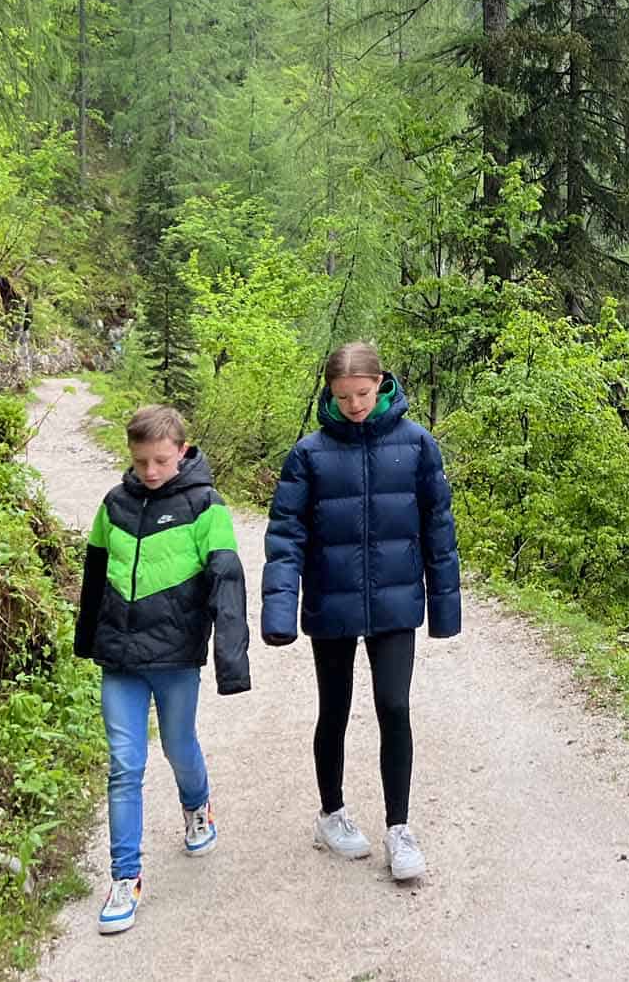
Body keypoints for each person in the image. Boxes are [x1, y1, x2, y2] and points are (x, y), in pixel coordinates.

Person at [261, 342, 461, 882]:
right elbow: (285, 536)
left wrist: (445, 608)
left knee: (395, 707)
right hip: (331, 602)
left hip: (397, 602)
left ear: (382, 385)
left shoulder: (418, 446)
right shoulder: (309, 453)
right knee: (336, 708)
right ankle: (332, 814)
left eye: (363, 394)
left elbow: (439, 532)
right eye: (343, 396)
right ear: (330, 394)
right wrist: (280, 608)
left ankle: (400, 828)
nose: (353, 405)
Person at [74, 404, 251, 934]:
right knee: (124, 766)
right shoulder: (114, 505)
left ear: (181, 450)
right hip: (120, 660)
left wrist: (230, 660)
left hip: (175, 659)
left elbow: (228, 581)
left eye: (160, 460)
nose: (150, 471)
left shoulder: (206, 507)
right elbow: (94, 578)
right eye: (141, 460)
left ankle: (197, 806)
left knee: (177, 748)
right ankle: (125, 877)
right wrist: (87, 641)